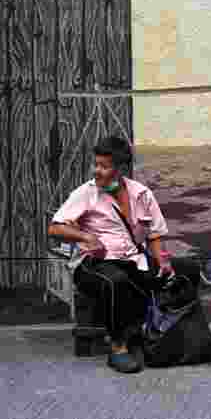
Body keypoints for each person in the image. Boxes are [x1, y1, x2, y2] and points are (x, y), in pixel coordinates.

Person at [48, 136, 187, 374]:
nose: (97, 171)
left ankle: (174, 337)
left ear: (122, 169)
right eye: (96, 164)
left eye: (104, 166)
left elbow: (154, 235)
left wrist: (163, 261)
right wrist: (86, 237)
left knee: (186, 271)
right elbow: (55, 228)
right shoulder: (86, 193)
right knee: (116, 281)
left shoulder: (141, 194)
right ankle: (118, 347)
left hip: (133, 259)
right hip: (94, 264)